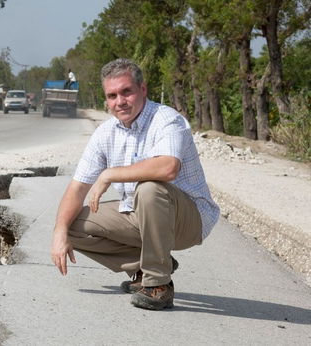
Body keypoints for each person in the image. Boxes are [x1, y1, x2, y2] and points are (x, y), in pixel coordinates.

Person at [50, 58, 219, 310]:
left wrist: (109, 174)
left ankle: (158, 285)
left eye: (126, 91)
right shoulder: (105, 133)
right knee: (70, 225)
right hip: (139, 214)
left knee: (150, 187)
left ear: (143, 89)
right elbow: (78, 187)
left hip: (187, 219)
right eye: (112, 95)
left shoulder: (166, 120)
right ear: (106, 100)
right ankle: (150, 263)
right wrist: (58, 232)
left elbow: (168, 167)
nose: (120, 101)